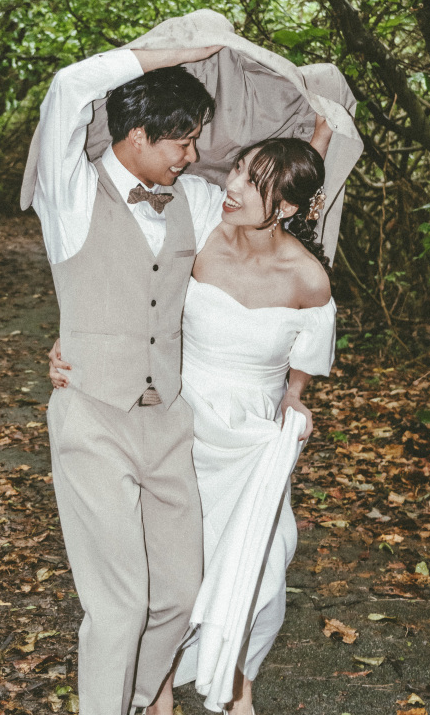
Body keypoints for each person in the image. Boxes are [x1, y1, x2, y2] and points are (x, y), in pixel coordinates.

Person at [50, 131, 335, 714]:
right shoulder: (201, 231)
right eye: (234, 171)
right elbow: (135, 296)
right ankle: (157, 695)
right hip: (179, 417)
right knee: (175, 569)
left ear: (284, 208)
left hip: (251, 434)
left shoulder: (309, 278)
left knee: (264, 561)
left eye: (249, 183)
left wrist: (296, 398)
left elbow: (305, 361)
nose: (228, 186)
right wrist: (73, 342)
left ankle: (233, 681)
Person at [29, 43, 225, 715]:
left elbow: (268, 205)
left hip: (168, 419)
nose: (192, 156)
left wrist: (316, 137)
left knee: (178, 592)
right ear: (137, 135)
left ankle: (132, 700)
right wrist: (163, 53)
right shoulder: (72, 191)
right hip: (91, 414)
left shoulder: (195, 199)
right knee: (118, 603)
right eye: (183, 140)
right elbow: (66, 89)